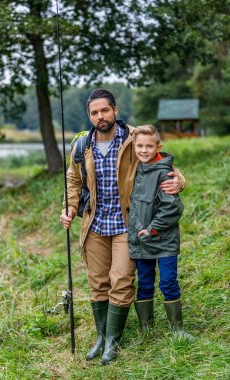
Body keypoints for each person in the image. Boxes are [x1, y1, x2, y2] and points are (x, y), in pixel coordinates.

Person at [60, 89, 185, 364]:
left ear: (115, 110)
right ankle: (101, 337)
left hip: (126, 225)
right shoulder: (82, 146)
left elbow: (160, 159)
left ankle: (113, 343)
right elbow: (73, 180)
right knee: (97, 282)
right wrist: (69, 207)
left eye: (105, 110)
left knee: (121, 280)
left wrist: (180, 179)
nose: (100, 116)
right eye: (94, 112)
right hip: (94, 225)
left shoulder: (133, 137)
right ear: (89, 116)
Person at [128, 125, 191, 338]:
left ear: (158, 146)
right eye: (140, 146)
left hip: (163, 241)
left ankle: (178, 330)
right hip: (141, 240)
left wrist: (153, 229)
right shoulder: (134, 170)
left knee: (168, 282)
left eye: (149, 146)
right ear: (133, 147)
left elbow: (172, 207)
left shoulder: (165, 173)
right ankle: (146, 329)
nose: (144, 150)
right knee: (144, 283)